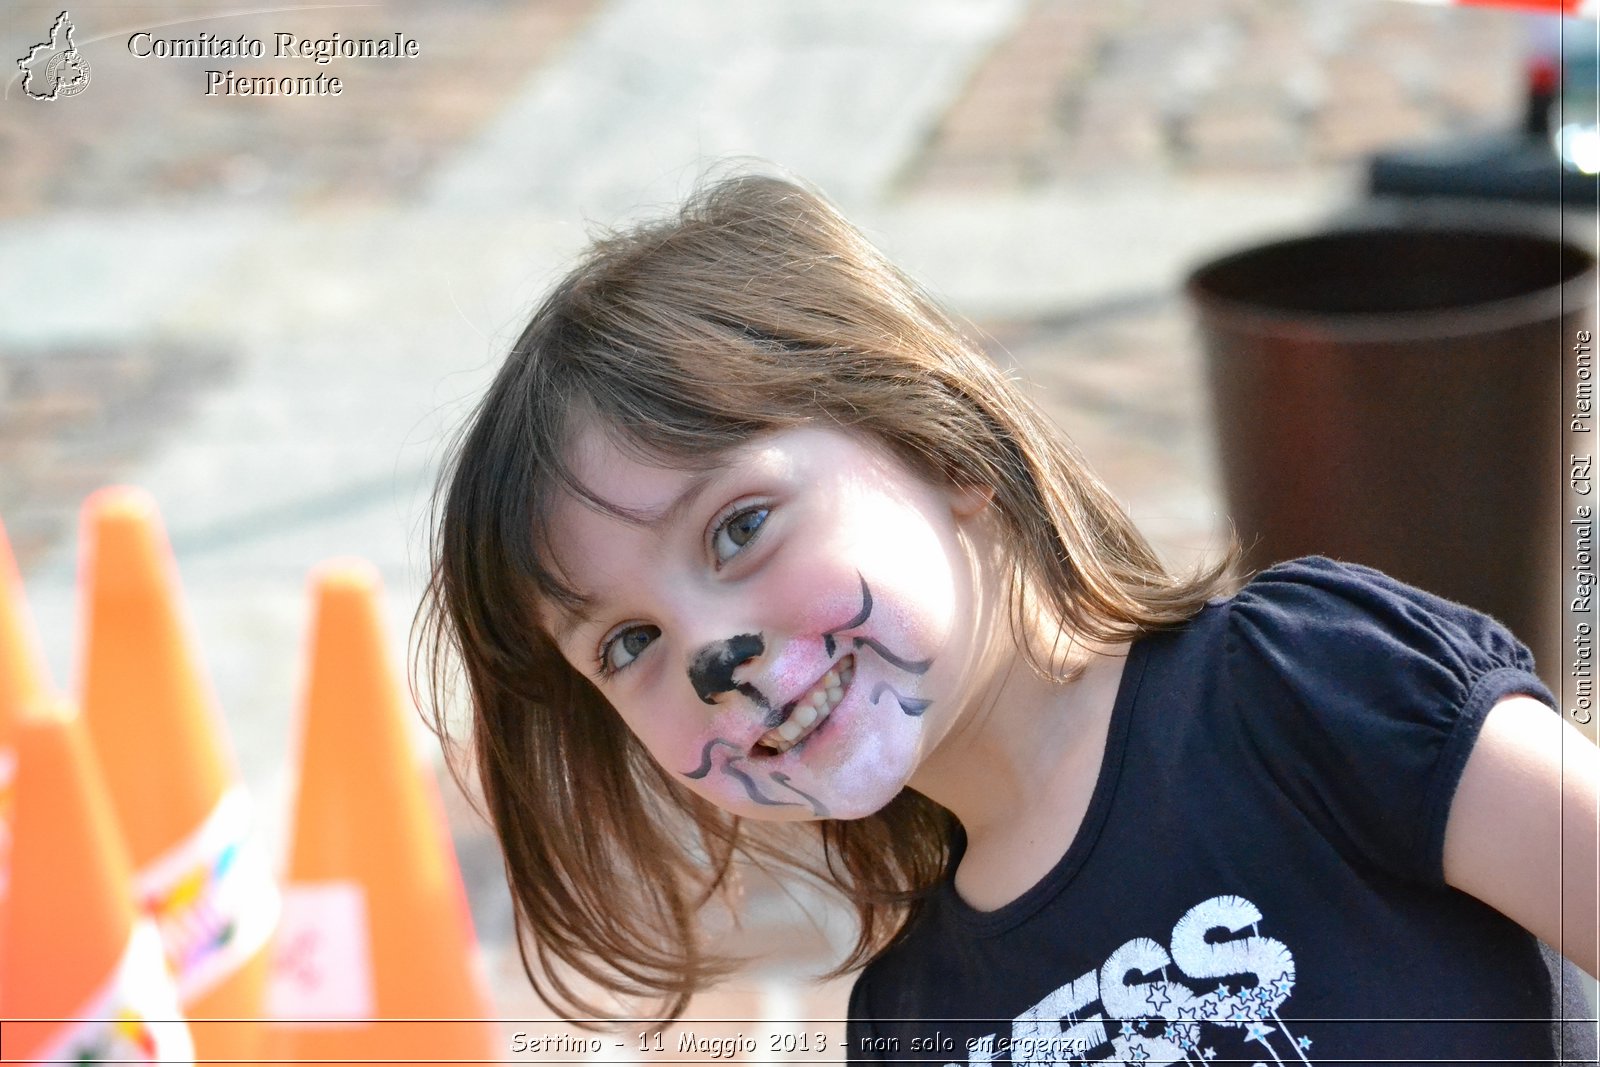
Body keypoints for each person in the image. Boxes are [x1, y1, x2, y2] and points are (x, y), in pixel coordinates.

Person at [417, 173, 1599, 1064]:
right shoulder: (910, 1020)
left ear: (941, 446)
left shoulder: (1307, 687)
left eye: (738, 527)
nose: (718, 664)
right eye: (628, 644)